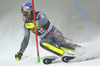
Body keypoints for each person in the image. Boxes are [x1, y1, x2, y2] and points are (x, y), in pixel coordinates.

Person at [15, 2, 84, 61]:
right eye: (23, 13)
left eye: (26, 13)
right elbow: (26, 38)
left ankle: (79, 50)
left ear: (31, 11)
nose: (25, 15)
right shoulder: (26, 25)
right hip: (46, 39)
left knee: (62, 45)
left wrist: (35, 23)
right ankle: (64, 54)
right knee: (42, 43)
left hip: (54, 32)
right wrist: (21, 52)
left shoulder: (39, 14)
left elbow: (44, 20)